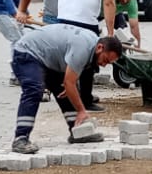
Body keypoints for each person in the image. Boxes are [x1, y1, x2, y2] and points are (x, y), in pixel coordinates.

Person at [9, 25, 125, 155]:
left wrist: (71, 88)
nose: (103, 65)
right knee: (34, 90)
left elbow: (70, 82)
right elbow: (69, 82)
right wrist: (81, 110)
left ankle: (77, 131)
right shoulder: (83, 48)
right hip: (27, 53)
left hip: (47, 59)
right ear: (100, 48)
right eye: (105, 60)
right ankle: (20, 139)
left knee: (68, 92)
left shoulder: (93, 43)